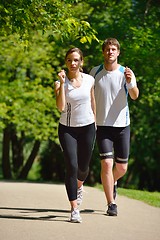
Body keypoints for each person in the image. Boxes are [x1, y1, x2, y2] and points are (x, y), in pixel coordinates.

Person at [90, 38, 139, 216]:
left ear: (118, 52)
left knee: (121, 168)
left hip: (122, 127)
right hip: (102, 127)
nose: (110, 52)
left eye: (113, 49)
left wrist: (130, 82)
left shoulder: (126, 72)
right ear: (103, 52)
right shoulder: (94, 72)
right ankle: (111, 204)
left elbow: (134, 96)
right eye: (107, 49)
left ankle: (112, 181)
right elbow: (90, 98)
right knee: (107, 164)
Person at [54, 47, 96, 223]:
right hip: (67, 129)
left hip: (88, 127)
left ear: (81, 62)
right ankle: (74, 209)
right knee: (72, 165)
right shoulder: (60, 83)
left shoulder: (89, 80)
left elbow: (93, 101)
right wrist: (62, 84)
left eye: (76, 60)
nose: (73, 63)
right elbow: (61, 107)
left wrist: (95, 122)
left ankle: (79, 186)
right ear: (66, 62)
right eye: (70, 60)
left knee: (83, 168)